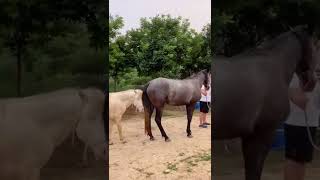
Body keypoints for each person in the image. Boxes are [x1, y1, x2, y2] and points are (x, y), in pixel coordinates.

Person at [284, 73, 320, 180]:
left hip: (310, 119)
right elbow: (279, 79)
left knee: (301, 160)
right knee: (294, 161)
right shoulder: (297, 60)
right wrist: (290, 92)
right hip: (297, 120)